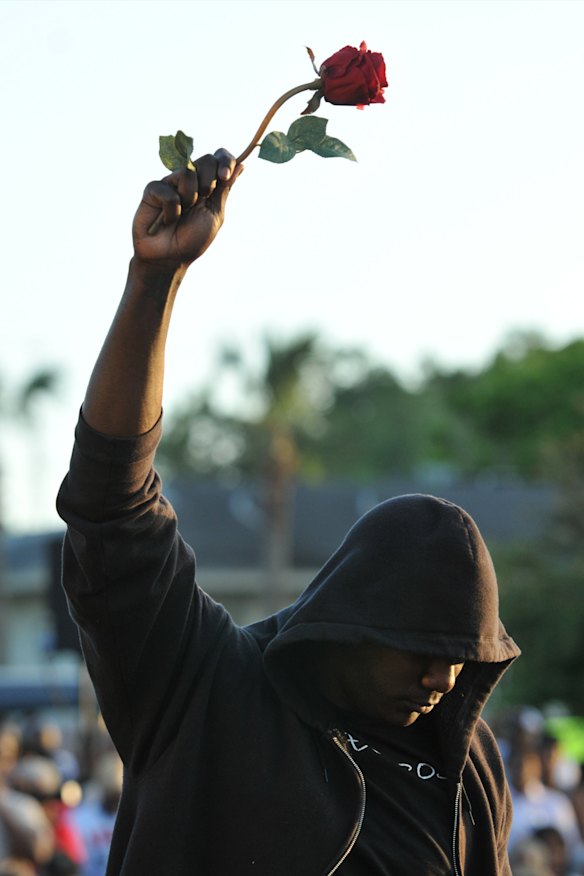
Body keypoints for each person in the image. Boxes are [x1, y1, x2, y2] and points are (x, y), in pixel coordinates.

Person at [56, 149, 521, 875]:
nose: (444, 679)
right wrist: (154, 282)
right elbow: (111, 506)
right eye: (426, 650)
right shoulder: (209, 687)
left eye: (464, 657)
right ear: (359, 621)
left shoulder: (468, 761)